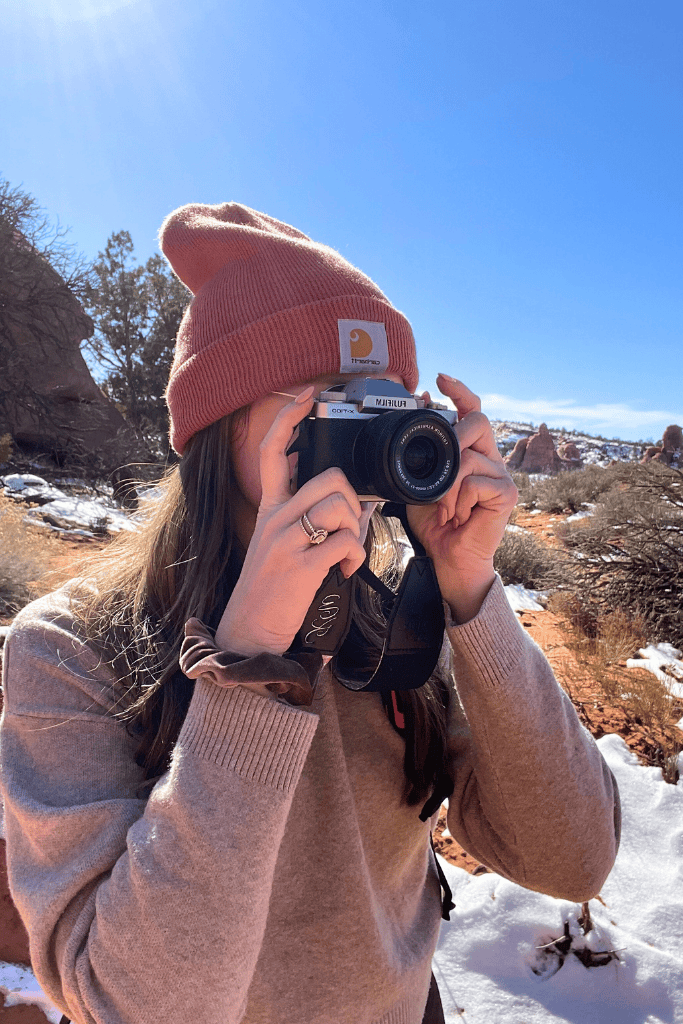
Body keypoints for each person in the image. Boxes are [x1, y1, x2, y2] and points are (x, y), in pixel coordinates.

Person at [0, 203, 620, 1024]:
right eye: (333, 402)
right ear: (221, 426)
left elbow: (572, 858)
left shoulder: (400, 625)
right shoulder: (70, 647)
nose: (374, 435)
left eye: (389, 403)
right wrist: (250, 664)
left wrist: (470, 589)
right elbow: (131, 1005)